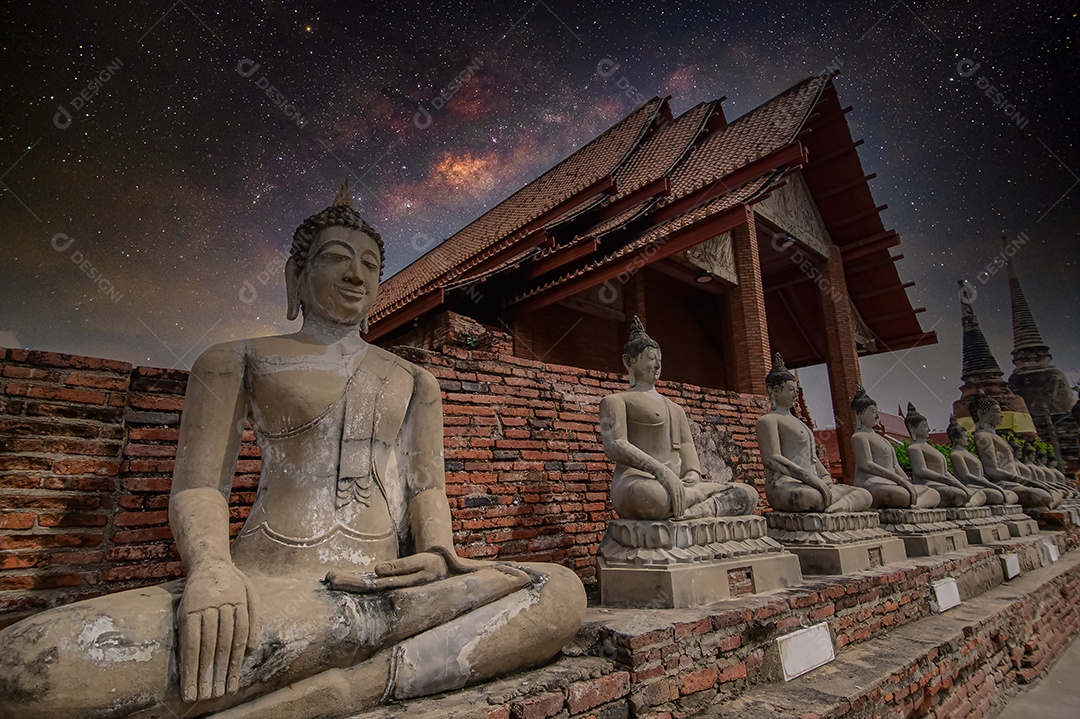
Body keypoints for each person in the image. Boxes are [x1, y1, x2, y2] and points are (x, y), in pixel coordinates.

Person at [0, 182, 586, 719]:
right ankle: (353, 665)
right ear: (294, 276)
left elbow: (426, 484)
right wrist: (211, 571)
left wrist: (436, 552)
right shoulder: (237, 359)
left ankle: (346, 690)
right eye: (336, 258)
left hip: (392, 589)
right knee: (28, 667)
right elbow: (202, 484)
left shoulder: (413, 380)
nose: (356, 275)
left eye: (371, 264)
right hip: (271, 592)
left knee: (558, 590)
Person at [599, 317, 758, 520]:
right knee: (653, 497)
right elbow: (615, 445)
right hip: (639, 481)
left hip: (682, 484)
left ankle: (695, 510)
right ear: (629, 362)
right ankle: (699, 504)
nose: (658, 364)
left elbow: (687, 449)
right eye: (650, 358)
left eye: (660, 358)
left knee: (747, 494)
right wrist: (661, 473)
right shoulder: (615, 401)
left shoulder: (675, 409)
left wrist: (692, 474)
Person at [756, 354, 872, 512]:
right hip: (785, 485)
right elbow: (772, 459)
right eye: (790, 389)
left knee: (864, 494)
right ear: (774, 391)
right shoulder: (768, 421)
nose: (795, 394)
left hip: (813, 483)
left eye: (796, 390)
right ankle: (833, 507)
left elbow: (812, 457)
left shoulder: (798, 422)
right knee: (813, 497)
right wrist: (810, 479)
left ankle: (835, 509)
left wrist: (824, 476)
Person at [850, 386, 939, 509]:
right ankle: (912, 501)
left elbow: (895, 466)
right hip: (872, 483)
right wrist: (899, 480)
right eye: (872, 412)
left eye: (877, 412)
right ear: (858, 414)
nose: (877, 416)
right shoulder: (859, 437)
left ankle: (915, 504)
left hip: (891, 482)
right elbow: (866, 464)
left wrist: (905, 480)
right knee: (902, 495)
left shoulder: (881, 438)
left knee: (933, 493)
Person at [969, 393, 1056, 509]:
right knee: (1041, 496)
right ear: (982, 413)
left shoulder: (996, 437)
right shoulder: (982, 437)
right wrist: (1027, 482)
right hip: (1003, 484)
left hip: (1014, 483)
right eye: (997, 411)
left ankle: (1048, 507)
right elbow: (991, 470)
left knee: (1054, 493)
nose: (1001, 415)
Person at [903, 403, 984, 507]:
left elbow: (945, 472)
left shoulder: (931, 448)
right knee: (957, 494)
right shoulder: (914, 448)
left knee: (980, 494)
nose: (928, 429)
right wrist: (948, 481)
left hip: (943, 485)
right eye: (925, 426)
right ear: (912, 428)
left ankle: (969, 503)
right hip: (929, 485)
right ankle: (918, 504)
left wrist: (959, 485)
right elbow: (920, 470)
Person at [946, 415, 1019, 505]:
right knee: (997, 495)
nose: (968, 438)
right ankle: (971, 503)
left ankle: (1005, 501)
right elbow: (966, 476)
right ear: (956, 439)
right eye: (965, 436)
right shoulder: (955, 454)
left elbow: (981, 475)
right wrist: (989, 485)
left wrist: (991, 484)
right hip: (972, 486)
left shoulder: (967, 453)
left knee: (1012, 494)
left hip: (982, 484)